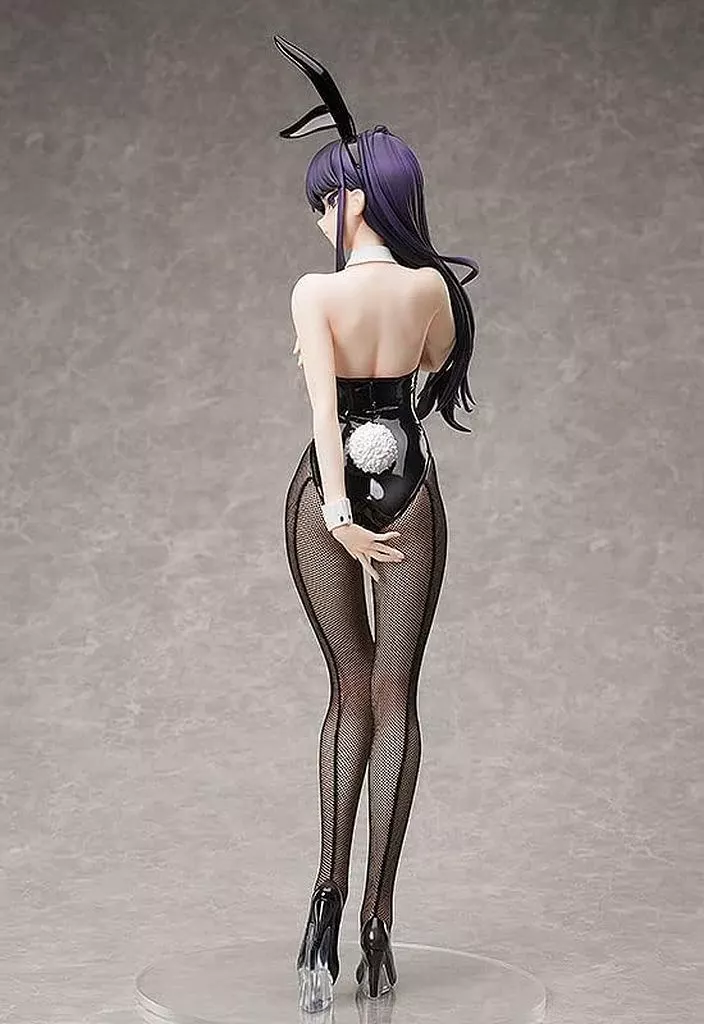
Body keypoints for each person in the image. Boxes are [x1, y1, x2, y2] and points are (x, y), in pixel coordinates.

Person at [273, 34, 480, 1012]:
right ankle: (375, 925)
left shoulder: (316, 293)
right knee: (396, 695)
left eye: (326, 198)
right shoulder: (432, 287)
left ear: (353, 198)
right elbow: (432, 365)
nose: (319, 214)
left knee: (348, 690)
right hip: (411, 484)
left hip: (326, 497)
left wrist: (336, 513)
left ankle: (325, 901)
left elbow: (324, 415)